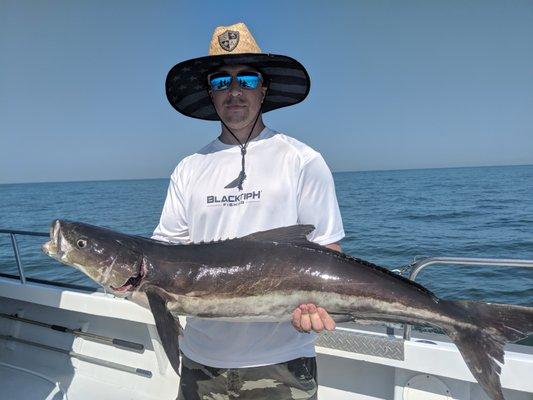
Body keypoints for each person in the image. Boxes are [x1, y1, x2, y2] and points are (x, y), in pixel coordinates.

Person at [153, 22, 345, 400]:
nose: (235, 91)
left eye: (247, 79)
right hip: (200, 362)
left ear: (264, 90)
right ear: (211, 94)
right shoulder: (188, 168)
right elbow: (164, 255)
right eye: (222, 82)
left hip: (284, 362)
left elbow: (328, 253)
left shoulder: (303, 160)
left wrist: (315, 302)